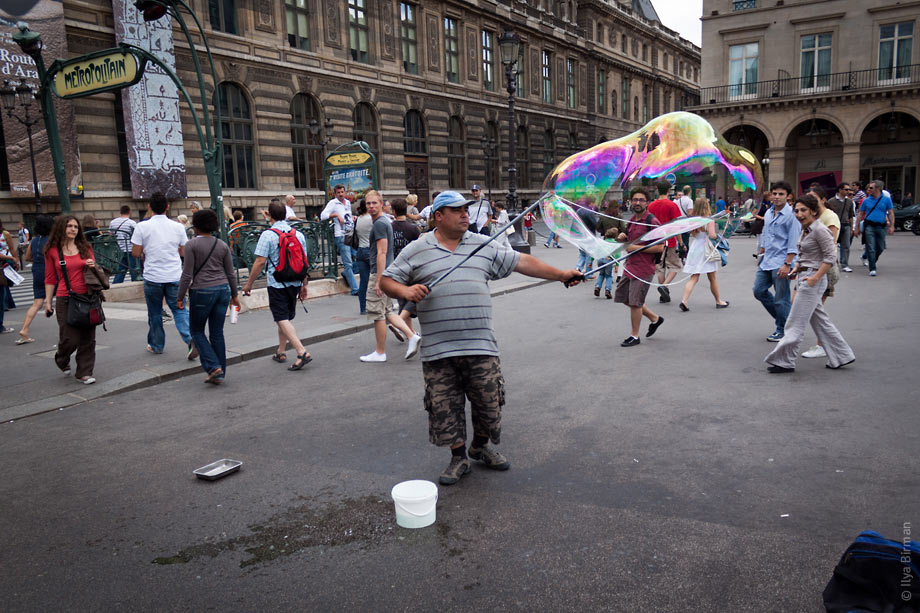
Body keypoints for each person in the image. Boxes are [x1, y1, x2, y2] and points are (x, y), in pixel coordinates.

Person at [379, 190, 582, 485]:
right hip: (439, 350)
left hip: (480, 345)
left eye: (466, 210)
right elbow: (386, 280)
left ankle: (480, 446)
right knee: (445, 408)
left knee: (489, 404)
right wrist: (406, 292)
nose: (465, 215)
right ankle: (458, 457)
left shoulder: (482, 245)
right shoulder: (418, 248)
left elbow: (522, 262)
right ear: (439, 216)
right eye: (458, 210)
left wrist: (562, 273)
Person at [764, 195, 855, 373]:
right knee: (821, 322)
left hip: (813, 280)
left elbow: (830, 258)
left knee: (794, 322)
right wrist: (796, 269)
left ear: (813, 211)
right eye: (796, 210)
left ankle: (784, 361)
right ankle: (842, 355)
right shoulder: (806, 230)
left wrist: (814, 278)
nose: (799, 214)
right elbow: (806, 255)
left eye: (803, 210)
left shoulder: (820, 230)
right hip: (806, 276)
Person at [242, 200, 312, 370]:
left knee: (281, 318)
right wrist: (304, 284)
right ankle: (281, 351)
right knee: (284, 318)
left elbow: (259, 262)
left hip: (277, 283)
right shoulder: (298, 234)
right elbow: (304, 262)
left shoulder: (268, 235)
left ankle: (301, 352)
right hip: (295, 281)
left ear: (269, 215)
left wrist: (248, 284)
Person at [177, 209, 241, 384]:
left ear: (196, 226)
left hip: (202, 291)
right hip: (223, 291)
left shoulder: (191, 245)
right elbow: (230, 273)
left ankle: (213, 367)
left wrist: (180, 296)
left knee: (196, 330)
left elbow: (187, 274)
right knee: (217, 333)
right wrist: (235, 296)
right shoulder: (222, 245)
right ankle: (220, 371)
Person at [131, 192, 194, 357]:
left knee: (155, 312)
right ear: (167, 207)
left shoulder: (141, 226)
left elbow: (135, 253)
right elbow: (183, 252)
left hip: (152, 276)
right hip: (174, 275)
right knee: (180, 310)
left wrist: (147, 249)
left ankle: (156, 345)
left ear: (149, 207)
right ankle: (190, 339)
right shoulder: (178, 227)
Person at [359, 190, 420, 362]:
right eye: (368, 203)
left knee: (377, 313)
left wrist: (378, 280)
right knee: (387, 311)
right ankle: (411, 335)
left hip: (380, 274)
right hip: (388, 273)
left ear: (381, 203)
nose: (371, 206)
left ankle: (380, 352)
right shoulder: (385, 221)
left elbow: (382, 252)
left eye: (374, 203)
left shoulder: (379, 224)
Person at [43, 216, 98, 384]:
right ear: (62, 228)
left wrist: (92, 265)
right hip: (65, 299)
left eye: (75, 226)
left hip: (87, 297)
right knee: (69, 338)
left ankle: (84, 372)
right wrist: (47, 302)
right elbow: (50, 278)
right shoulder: (52, 250)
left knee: (88, 338)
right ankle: (62, 358)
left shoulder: (85, 247)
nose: (73, 229)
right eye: (69, 226)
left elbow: (95, 271)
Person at [614, 187, 665, 347]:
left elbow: (659, 247)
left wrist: (633, 247)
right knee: (623, 297)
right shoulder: (631, 221)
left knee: (635, 303)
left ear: (647, 202)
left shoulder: (652, 221)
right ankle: (655, 319)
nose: (637, 202)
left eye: (641, 200)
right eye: (635, 200)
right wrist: (622, 238)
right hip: (630, 266)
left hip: (643, 269)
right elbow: (629, 242)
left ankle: (634, 336)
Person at [753, 181, 799, 342]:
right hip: (767, 260)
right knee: (758, 291)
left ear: (788, 196)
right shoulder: (768, 212)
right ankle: (786, 321)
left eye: (781, 194)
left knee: (781, 298)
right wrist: (763, 250)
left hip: (781, 261)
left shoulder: (792, 215)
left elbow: (794, 242)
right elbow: (766, 233)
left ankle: (782, 329)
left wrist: (788, 264)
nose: (777, 197)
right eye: (775, 193)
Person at [679, 197, 729, 311]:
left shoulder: (694, 220)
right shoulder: (709, 220)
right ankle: (718, 301)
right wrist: (717, 236)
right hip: (705, 249)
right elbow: (712, 235)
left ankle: (684, 301)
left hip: (695, 247)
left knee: (694, 277)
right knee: (712, 277)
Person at [16, 215, 53, 344]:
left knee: (37, 303)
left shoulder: (35, 240)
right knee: (62, 299)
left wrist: (38, 260)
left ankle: (24, 330)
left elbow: (27, 257)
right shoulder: (52, 241)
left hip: (37, 271)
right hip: (50, 273)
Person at [647, 181, 684, 303]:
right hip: (670, 239)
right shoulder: (672, 205)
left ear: (658, 189)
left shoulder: (651, 206)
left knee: (660, 268)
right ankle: (665, 285)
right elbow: (676, 225)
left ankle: (663, 295)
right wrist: (681, 242)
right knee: (676, 266)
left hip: (656, 240)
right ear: (669, 190)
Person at [320, 184, 359, 294]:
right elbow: (323, 215)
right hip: (340, 235)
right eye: (338, 193)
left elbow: (347, 215)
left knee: (358, 257)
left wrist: (352, 218)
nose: (341, 194)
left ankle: (347, 273)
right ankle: (355, 289)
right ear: (335, 193)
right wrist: (336, 215)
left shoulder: (347, 202)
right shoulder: (333, 203)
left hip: (350, 233)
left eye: (342, 192)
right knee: (348, 263)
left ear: (345, 192)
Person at [853, 179, 894, 277]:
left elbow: (891, 212)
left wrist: (892, 225)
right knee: (871, 247)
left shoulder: (886, 200)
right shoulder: (866, 201)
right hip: (869, 226)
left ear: (878, 189)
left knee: (880, 247)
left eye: (871, 187)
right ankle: (872, 268)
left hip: (881, 226)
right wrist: (857, 227)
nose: (869, 189)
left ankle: (871, 260)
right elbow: (860, 214)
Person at [826, 183, 855, 272]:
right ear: (840, 190)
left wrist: (851, 228)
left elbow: (851, 215)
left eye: (849, 190)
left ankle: (844, 264)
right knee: (832, 244)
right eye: (846, 189)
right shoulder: (831, 201)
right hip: (834, 225)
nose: (848, 191)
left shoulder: (849, 202)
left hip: (845, 225)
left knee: (846, 245)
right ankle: (832, 262)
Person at [0, 220, 21, 333]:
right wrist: (12, 258)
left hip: (4, 266)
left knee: (3, 291)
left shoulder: (5, 234)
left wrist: (15, 260)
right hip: (6, 261)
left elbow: (12, 248)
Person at [109, 205, 139, 283]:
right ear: (129, 212)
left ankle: (116, 286)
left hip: (119, 250)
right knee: (134, 271)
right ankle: (135, 286)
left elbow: (111, 236)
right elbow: (137, 236)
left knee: (120, 271)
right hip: (130, 250)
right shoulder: (132, 223)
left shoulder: (113, 222)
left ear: (120, 212)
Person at [353, 199, 373, 315]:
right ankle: (383, 305)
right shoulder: (371, 219)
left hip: (360, 251)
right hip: (370, 250)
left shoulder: (358, 219)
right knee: (378, 279)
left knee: (363, 282)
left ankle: (363, 308)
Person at [593, 228, 619, 299]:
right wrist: (617, 265)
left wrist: (591, 260)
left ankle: (597, 287)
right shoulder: (615, 243)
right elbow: (618, 255)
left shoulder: (602, 242)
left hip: (600, 260)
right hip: (609, 261)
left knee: (601, 274)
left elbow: (596, 251)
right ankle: (608, 290)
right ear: (615, 236)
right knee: (609, 276)